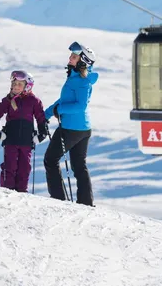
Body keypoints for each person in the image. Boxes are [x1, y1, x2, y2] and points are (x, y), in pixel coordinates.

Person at [43, 42, 98, 206]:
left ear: (83, 61)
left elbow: (81, 106)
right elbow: (64, 101)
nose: (69, 58)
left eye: (73, 57)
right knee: (79, 165)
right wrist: (47, 113)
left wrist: (59, 110)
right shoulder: (75, 78)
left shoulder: (82, 81)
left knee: (50, 160)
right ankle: (86, 202)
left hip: (71, 129)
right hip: (82, 129)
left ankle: (58, 199)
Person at [0, 70, 48, 192]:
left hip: (26, 140)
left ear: (28, 86)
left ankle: (22, 191)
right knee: (10, 165)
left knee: (24, 167)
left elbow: (41, 118)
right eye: (14, 84)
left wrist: (42, 132)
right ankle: (7, 189)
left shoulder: (34, 101)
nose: (15, 87)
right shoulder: (8, 100)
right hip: (10, 138)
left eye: (19, 84)